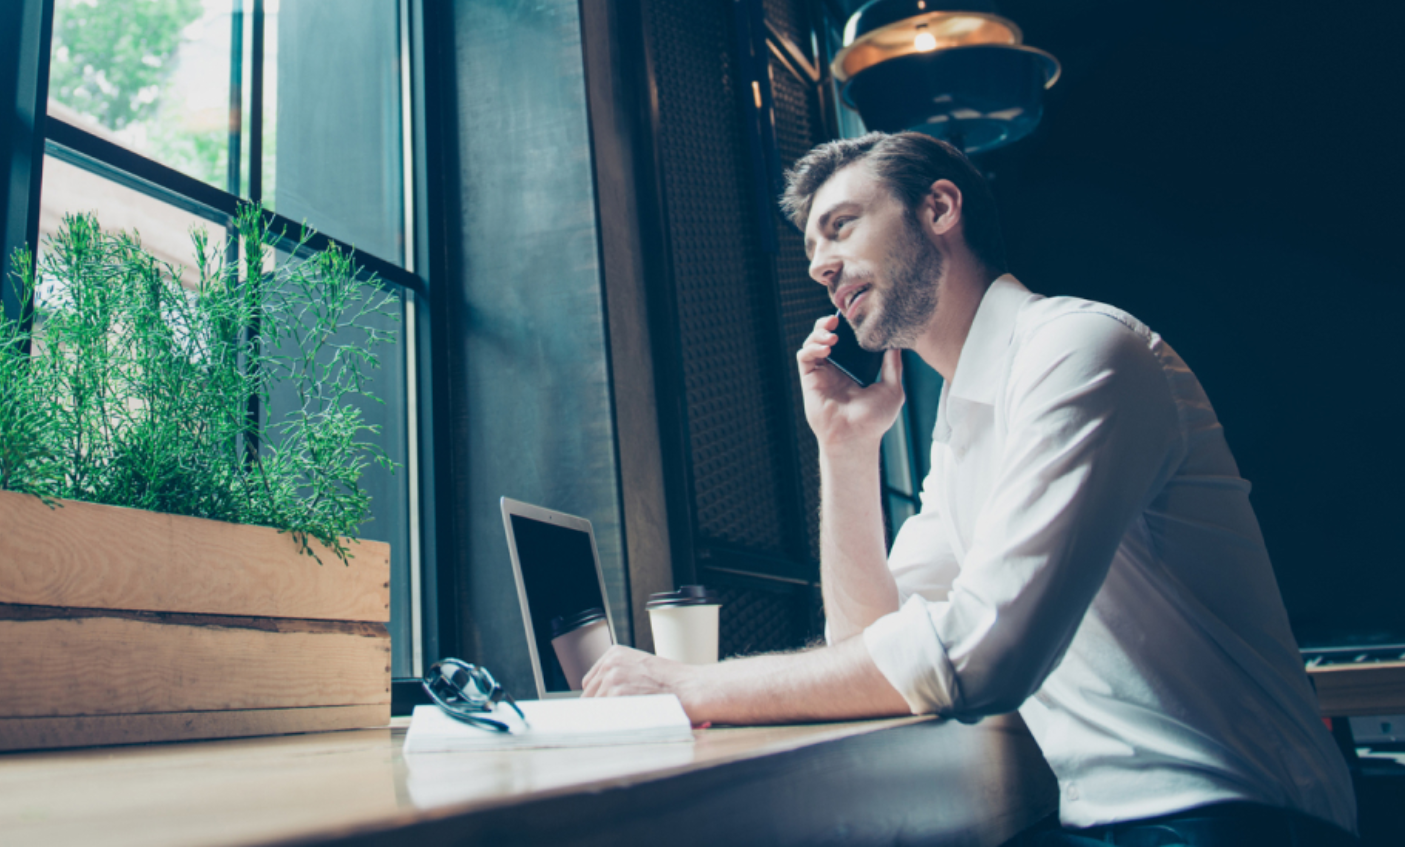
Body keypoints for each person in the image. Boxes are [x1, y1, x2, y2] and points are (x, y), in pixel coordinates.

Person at [581, 132, 1358, 843]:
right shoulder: (963, 426)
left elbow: (979, 656)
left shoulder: (1078, 350)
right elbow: (867, 645)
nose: (819, 267)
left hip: (1236, 815)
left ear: (941, 207)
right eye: (813, 250)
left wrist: (690, 686)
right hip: (1112, 820)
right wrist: (846, 450)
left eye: (842, 225)